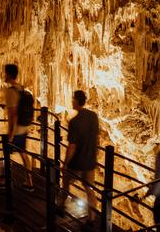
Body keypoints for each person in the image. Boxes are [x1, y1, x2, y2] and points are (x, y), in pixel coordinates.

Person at [57, 90, 99, 228]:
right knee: (89, 189)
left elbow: (72, 146)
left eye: (73, 99)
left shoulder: (74, 122)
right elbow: (96, 138)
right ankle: (91, 219)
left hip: (77, 161)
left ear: (76, 101)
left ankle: (60, 207)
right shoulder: (93, 116)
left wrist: (65, 163)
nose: (71, 101)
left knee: (66, 182)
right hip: (90, 160)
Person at [0, 64, 34, 191]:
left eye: (5, 73)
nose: (3, 75)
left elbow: (13, 115)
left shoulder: (10, 91)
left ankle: (4, 180)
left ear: (9, 75)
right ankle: (29, 181)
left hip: (15, 129)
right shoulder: (21, 88)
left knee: (6, 154)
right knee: (23, 153)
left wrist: (10, 134)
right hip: (24, 127)